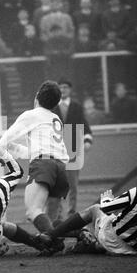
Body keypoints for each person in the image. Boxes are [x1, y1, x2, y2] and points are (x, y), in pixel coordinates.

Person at [0, 81, 70, 254]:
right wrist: (12, 149)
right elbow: (33, 151)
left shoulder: (32, 114)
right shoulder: (55, 118)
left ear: (37, 96)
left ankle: (66, 239)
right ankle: (72, 237)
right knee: (50, 222)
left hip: (44, 165)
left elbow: (5, 140)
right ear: (56, 102)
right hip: (60, 167)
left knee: (33, 211)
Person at [50, 80, 93, 221]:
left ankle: (71, 213)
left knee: (72, 184)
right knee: (58, 183)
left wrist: (87, 140)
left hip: (73, 146)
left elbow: (84, 124)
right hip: (57, 148)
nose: (63, 90)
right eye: (60, 87)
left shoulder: (76, 107)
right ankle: (58, 215)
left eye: (65, 87)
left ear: (70, 90)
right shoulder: (51, 107)